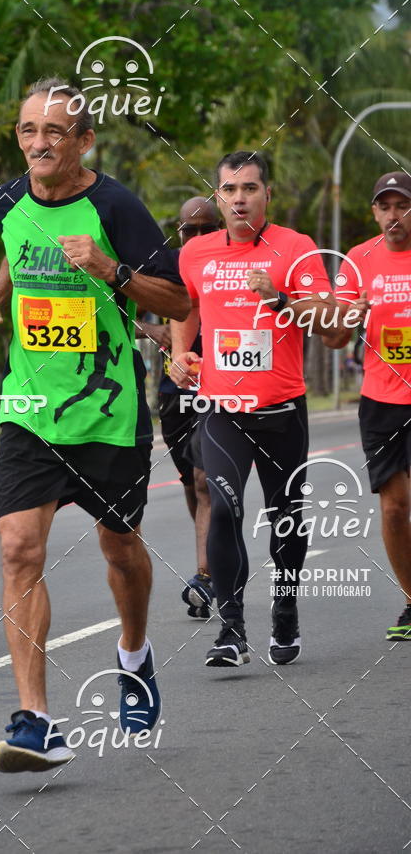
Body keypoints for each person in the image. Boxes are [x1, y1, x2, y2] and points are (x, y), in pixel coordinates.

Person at [0, 77, 189, 772]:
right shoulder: (8, 198)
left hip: (107, 414)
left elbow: (177, 296)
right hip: (31, 409)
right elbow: (14, 248)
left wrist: (111, 269)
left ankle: (134, 654)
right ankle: (36, 721)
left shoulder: (117, 206)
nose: (38, 143)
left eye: (54, 132)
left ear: (84, 140)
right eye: (28, 130)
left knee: (119, 550)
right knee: (17, 551)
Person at [171, 151, 339, 668]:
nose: (239, 198)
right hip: (223, 409)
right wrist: (181, 353)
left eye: (249, 188)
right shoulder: (196, 253)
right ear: (218, 197)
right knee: (222, 507)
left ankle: (284, 611)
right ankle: (231, 629)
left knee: (285, 516)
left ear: (268, 194)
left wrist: (281, 297)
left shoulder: (297, 248)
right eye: (229, 190)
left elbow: (331, 326)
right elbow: (187, 308)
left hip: (282, 409)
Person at [323, 171, 411, 641]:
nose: (394, 216)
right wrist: (349, 317)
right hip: (381, 400)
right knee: (395, 508)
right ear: (374, 211)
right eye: (386, 207)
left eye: (403, 206)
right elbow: (335, 338)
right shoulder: (357, 260)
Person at [137, 196, 220, 618]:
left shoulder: (228, 261)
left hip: (219, 387)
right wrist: (155, 329)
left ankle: (207, 576)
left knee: (207, 481)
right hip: (175, 392)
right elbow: (117, 304)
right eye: (192, 230)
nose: (200, 238)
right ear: (179, 231)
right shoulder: (165, 263)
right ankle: (210, 560)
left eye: (209, 229)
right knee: (192, 483)